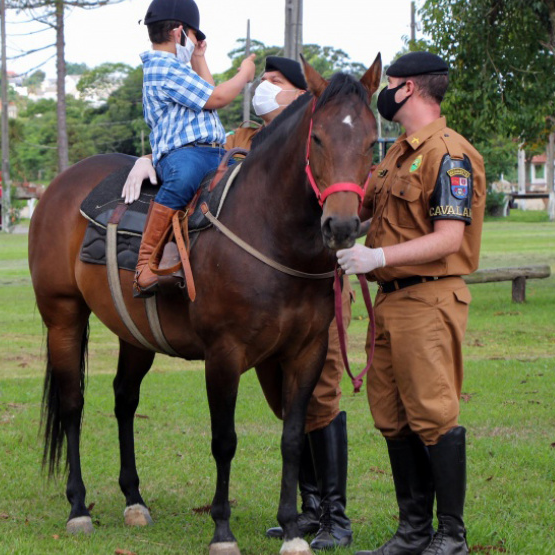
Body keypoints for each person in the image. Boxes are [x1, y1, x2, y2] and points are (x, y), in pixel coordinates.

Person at [122, 55, 354, 551]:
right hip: (259, 300)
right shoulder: (245, 139)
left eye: (274, 84)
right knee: (285, 402)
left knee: (321, 397)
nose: (264, 91)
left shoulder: (326, 136)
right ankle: (308, 507)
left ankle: (332, 514)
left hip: (309, 288)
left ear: (300, 97)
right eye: (263, 82)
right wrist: (152, 158)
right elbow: (203, 164)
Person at [336, 51, 485, 555]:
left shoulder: (450, 154)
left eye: (391, 82)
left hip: (428, 298)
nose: (385, 91)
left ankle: (451, 536)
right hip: (389, 301)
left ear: (410, 89)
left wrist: (377, 253)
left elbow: (447, 239)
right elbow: (358, 210)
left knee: (433, 414)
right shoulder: (396, 153)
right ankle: (413, 531)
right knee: (392, 416)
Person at [132, 0, 255, 297]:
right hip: (183, 154)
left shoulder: (179, 67)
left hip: (213, 151)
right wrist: (244, 73)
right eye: (192, 35)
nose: (194, 42)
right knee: (183, 179)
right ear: (179, 33)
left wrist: (199, 57)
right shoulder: (163, 67)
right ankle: (145, 262)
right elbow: (217, 97)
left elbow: (207, 88)